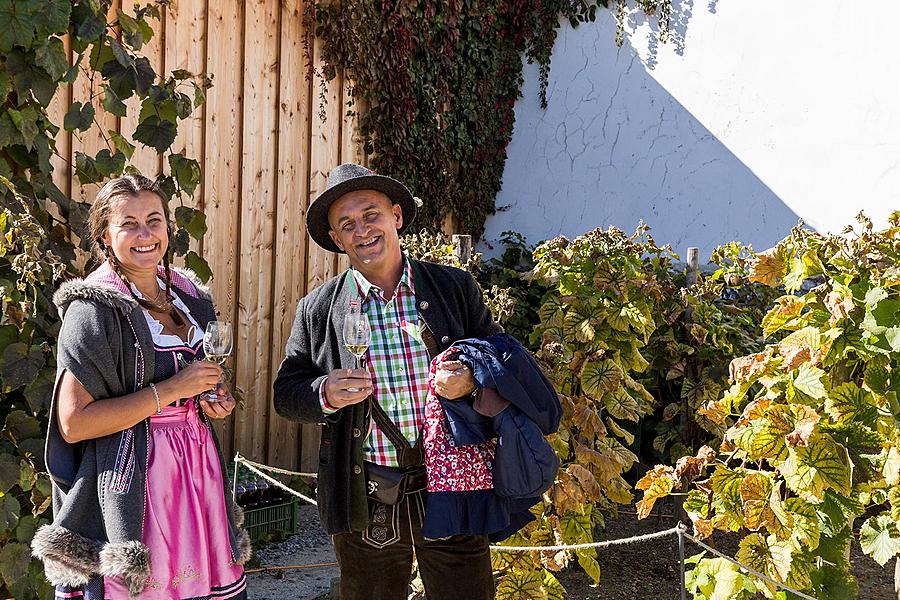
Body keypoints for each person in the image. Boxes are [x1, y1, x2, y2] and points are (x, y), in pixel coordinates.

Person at [273, 163, 501, 600]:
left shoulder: (454, 287)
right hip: (367, 493)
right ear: (337, 240)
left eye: (371, 214)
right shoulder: (318, 309)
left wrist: (472, 380)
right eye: (347, 224)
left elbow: (501, 359)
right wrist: (325, 392)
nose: (362, 230)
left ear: (396, 215)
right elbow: (287, 393)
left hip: (452, 484)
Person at [32, 175, 251, 599]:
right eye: (128, 224)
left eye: (154, 220)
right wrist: (172, 390)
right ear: (104, 235)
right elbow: (74, 423)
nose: (145, 234)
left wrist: (207, 399)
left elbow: (193, 382)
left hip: (196, 472)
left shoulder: (188, 295)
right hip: (137, 481)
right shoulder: (93, 309)